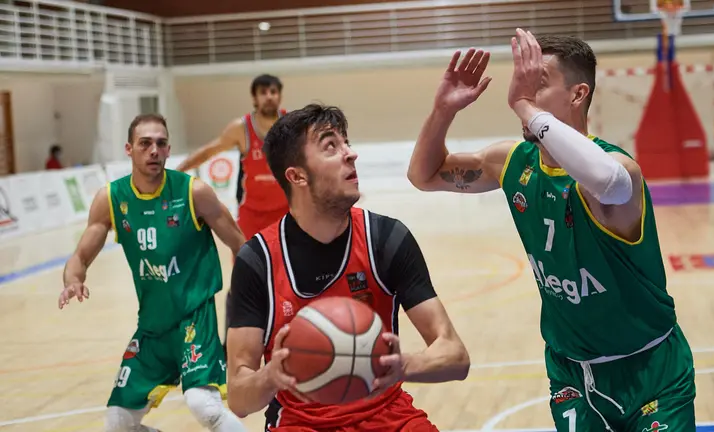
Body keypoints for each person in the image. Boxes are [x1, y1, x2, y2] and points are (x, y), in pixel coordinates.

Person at [407, 31, 695, 432]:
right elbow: (422, 176)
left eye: (536, 82)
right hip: (570, 374)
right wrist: (442, 111)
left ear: (577, 95)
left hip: (650, 372)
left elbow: (604, 180)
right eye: (522, 81)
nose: (521, 91)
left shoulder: (617, 171)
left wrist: (523, 105)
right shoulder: (511, 162)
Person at [226, 104, 471, 431]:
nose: (351, 154)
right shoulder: (257, 260)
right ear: (297, 175)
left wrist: (405, 365)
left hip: (388, 414)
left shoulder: (386, 238)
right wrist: (271, 376)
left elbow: (455, 355)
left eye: (347, 143)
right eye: (331, 146)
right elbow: (239, 400)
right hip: (300, 422)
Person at [58, 113, 247, 432]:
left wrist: (258, 294)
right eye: (145, 143)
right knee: (117, 425)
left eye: (160, 144)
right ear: (129, 149)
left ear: (169, 150)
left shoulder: (193, 191)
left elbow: (241, 245)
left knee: (203, 406)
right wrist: (72, 280)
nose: (154, 150)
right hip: (151, 327)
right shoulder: (111, 198)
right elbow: (80, 256)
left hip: (193, 319)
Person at [176, 74, 289, 241]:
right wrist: (176, 172)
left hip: (286, 211)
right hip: (252, 213)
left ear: (280, 96)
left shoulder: (292, 124)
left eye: (273, 92)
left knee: (287, 265)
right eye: (263, 92)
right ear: (255, 98)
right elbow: (208, 151)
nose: (269, 96)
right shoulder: (241, 128)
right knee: (245, 264)